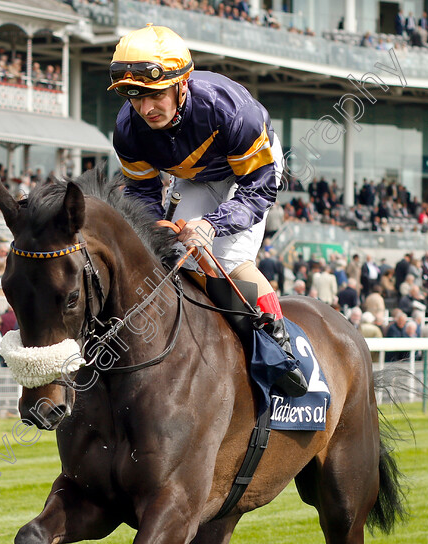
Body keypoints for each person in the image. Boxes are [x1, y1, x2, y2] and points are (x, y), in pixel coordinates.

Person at [107, 25, 306, 396]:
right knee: (175, 256)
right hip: (195, 177)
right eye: (134, 98)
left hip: (248, 174)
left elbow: (257, 191)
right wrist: (156, 226)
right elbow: (142, 192)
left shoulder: (232, 111)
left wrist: (213, 224)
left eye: (154, 96)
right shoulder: (127, 129)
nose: (145, 109)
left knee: (227, 258)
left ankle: (279, 350)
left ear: (182, 84)